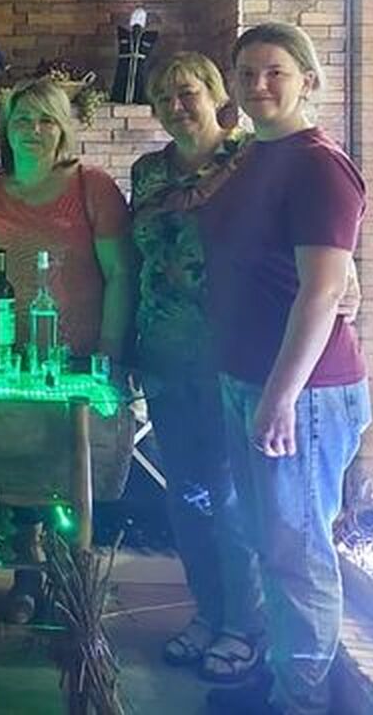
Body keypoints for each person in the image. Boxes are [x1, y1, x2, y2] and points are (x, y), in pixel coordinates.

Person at [200, 24, 369, 715]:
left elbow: (322, 292)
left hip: (303, 393)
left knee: (297, 554)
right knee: (266, 542)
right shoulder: (256, 156)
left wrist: (280, 397)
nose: (259, 84)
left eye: (275, 71)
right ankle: (279, 679)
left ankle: (301, 703)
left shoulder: (319, 164)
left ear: (308, 79)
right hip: (250, 378)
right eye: (246, 73)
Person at [0, 76, 134, 623]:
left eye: (45, 120)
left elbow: (120, 273)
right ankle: (26, 576)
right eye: (22, 120)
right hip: (5, 360)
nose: (33, 130)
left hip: (74, 360)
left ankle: (70, 585)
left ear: (63, 129)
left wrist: (109, 352)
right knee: (17, 469)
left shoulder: (92, 187)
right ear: (7, 130)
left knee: (68, 477)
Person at [130, 53, 263, 683]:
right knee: (186, 492)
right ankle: (207, 612)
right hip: (163, 353)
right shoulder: (148, 171)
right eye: (163, 98)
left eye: (186, 93)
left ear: (216, 96)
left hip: (233, 355)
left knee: (232, 496)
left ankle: (245, 625)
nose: (175, 107)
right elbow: (138, 257)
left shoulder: (251, 160)